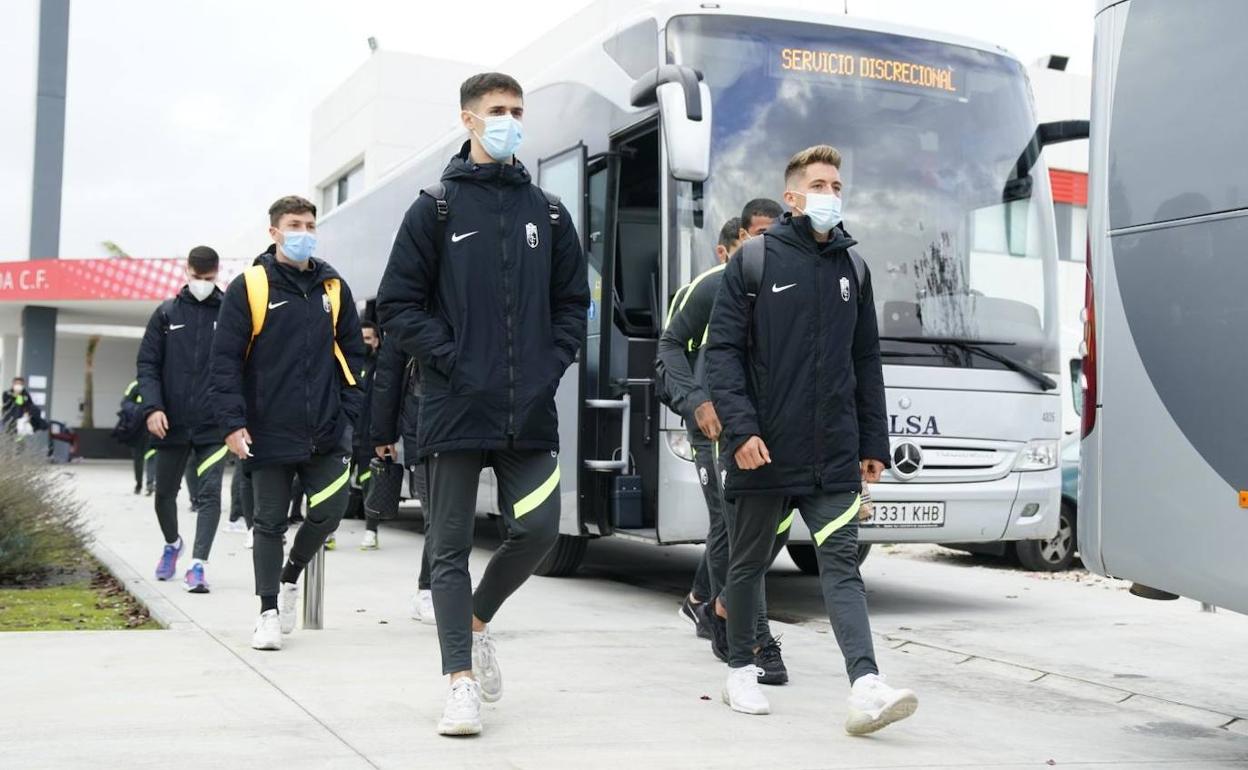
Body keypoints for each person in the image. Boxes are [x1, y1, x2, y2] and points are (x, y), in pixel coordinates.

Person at [376, 71, 588, 736]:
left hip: (527, 410)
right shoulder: (434, 208)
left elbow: (572, 306)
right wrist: (456, 361)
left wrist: (548, 368)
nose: (510, 120)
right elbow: (397, 306)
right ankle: (458, 682)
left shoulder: (548, 213)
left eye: (517, 110)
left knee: (540, 529)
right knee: (448, 549)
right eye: (497, 110)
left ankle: (475, 622)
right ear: (469, 119)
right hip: (453, 407)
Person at [704, 145, 917, 732]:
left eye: (838, 185)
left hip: (833, 453)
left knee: (842, 566)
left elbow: (864, 360)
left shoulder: (854, 269)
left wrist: (873, 440)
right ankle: (741, 669)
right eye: (820, 184)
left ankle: (867, 685)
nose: (832, 194)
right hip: (764, 450)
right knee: (747, 565)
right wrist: (741, 430)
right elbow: (720, 354)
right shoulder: (755, 261)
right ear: (793, 197)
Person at [210, 195, 365, 651]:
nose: (304, 232)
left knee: (329, 514)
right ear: (274, 232)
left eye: (310, 224)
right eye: (295, 224)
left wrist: (348, 412)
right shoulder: (251, 286)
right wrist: (233, 423)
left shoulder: (333, 287)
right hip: (267, 430)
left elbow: (354, 354)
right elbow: (224, 363)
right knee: (269, 524)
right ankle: (268, 612)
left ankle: (291, 573)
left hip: (326, 428)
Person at [659, 211, 790, 687]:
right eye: (760, 235)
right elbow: (669, 347)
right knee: (734, 528)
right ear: (736, 241)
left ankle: (705, 602)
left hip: (764, 427)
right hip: (713, 428)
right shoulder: (711, 286)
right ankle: (749, 636)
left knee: (767, 527)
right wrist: (698, 402)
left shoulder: (784, 284)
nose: (769, 244)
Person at [136, 246, 228, 592]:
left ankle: (198, 565)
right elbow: (147, 365)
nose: (203, 284)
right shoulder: (166, 313)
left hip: (214, 425)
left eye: (209, 278)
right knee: (164, 495)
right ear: (185, 271)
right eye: (197, 277)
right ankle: (173, 544)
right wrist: (153, 407)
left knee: (209, 495)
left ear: (217, 274)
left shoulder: (231, 313)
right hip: (170, 421)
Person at [368, 333, 435, 624]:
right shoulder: (407, 314)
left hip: (458, 428)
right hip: (421, 430)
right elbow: (388, 378)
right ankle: (427, 590)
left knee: (449, 519)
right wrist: (384, 434)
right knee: (437, 517)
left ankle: (432, 588)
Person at [350, 321, 382, 550]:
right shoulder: (348, 364)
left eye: (368, 338)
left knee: (370, 486)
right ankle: (327, 533)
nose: (364, 343)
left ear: (377, 341)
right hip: (345, 435)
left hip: (369, 438)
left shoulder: (383, 366)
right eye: (360, 338)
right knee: (336, 486)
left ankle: (371, 532)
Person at [120, 379, 156, 495]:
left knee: (152, 455)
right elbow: (125, 403)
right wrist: (139, 409)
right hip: (137, 428)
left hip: (152, 427)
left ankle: (150, 484)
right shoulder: (135, 385)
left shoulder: (157, 383)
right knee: (138, 458)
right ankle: (139, 484)